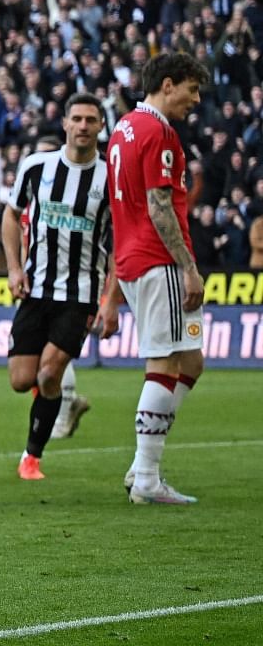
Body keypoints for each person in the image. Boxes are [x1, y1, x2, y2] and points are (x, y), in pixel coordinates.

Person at [99, 52, 211, 506]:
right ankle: (146, 475)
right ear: (169, 84)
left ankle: (141, 467)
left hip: (133, 258)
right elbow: (159, 205)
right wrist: (187, 266)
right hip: (158, 261)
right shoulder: (159, 132)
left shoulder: (124, 128)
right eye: (192, 89)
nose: (196, 100)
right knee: (164, 363)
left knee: (192, 361)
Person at [1, 93, 114, 480]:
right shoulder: (37, 167)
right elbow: (11, 215)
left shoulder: (110, 179)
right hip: (36, 290)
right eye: (77, 119)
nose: (83, 126)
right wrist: (14, 269)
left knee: (50, 374)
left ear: (101, 127)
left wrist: (109, 299)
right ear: (65, 123)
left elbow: (120, 246)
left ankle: (32, 457)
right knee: (21, 380)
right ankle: (56, 404)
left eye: (91, 120)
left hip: (80, 296)